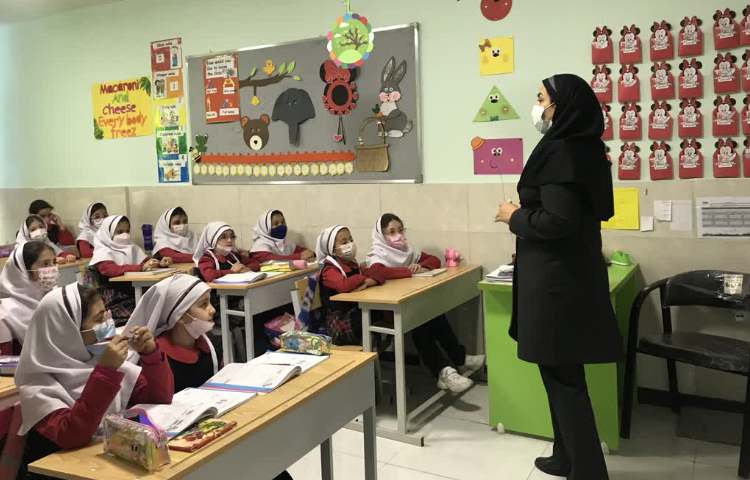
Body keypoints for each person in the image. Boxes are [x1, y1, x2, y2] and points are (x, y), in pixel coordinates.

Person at [495, 74, 621, 480]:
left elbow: (558, 221)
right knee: (560, 373)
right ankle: (565, 456)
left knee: (564, 379)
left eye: (541, 98)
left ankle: (588, 470)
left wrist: (513, 216)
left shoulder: (564, 151)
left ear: (562, 106)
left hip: (557, 286)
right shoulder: (582, 148)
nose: (538, 107)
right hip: (564, 277)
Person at [123, 275, 294, 480]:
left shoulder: (208, 344)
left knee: (274, 467)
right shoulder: (153, 354)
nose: (212, 310)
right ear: (180, 314)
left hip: (214, 431)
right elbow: (153, 404)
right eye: (203, 305)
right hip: (179, 448)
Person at [14, 283, 173, 478]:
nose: (108, 324)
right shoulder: (37, 385)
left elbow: (158, 398)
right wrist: (106, 373)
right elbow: (72, 435)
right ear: (68, 332)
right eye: (99, 319)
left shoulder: (101, 362)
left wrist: (151, 354)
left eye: (107, 314)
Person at [366, 214, 485, 393]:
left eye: (400, 230)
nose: (398, 235)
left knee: (433, 313)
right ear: (381, 236)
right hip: (390, 310)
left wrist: (422, 267)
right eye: (392, 232)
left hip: (412, 303)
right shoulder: (377, 255)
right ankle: (444, 370)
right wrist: (408, 271)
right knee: (421, 322)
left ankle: (456, 361)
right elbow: (379, 273)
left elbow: (434, 260)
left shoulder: (407, 250)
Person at [89, 215, 169, 321]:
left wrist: (159, 263)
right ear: (108, 233)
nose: (125, 235)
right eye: (119, 232)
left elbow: (146, 262)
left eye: (127, 231)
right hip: (114, 299)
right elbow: (111, 270)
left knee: (162, 302)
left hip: (131, 291)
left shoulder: (131, 247)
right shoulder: (103, 251)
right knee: (150, 309)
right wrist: (141, 267)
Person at [315, 225, 385, 345]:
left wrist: (370, 281)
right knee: (371, 314)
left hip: (354, 312)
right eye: (344, 242)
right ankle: (372, 346)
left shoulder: (352, 264)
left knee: (378, 310)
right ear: (332, 249)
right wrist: (364, 278)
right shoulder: (329, 270)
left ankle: (375, 345)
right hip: (339, 322)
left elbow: (378, 274)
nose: (350, 244)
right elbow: (344, 285)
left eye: (351, 240)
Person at [0, 241, 58, 355]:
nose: (53, 268)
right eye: (45, 263)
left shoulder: (57, 297)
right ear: (23, 269)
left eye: (54, 262)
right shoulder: (5, 314)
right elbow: (5, 361)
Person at [193, 222, 259, 282]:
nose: (230, 240)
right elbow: (209, 276)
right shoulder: (207, 258)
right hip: (219, 291)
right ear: (213, 240)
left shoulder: (233, 255)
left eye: (232, 237)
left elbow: (255, 264)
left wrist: (246, 268)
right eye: (224, 237)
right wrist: (232, 271)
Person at [250, 210, 315, 263]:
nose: (281, 226)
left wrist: (310, 253)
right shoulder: (259, 245)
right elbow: (272, 260)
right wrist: (299, 256)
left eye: (283, 222)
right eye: (276, 224)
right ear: (266, 228)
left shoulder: (285, 242)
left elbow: (300, 250)